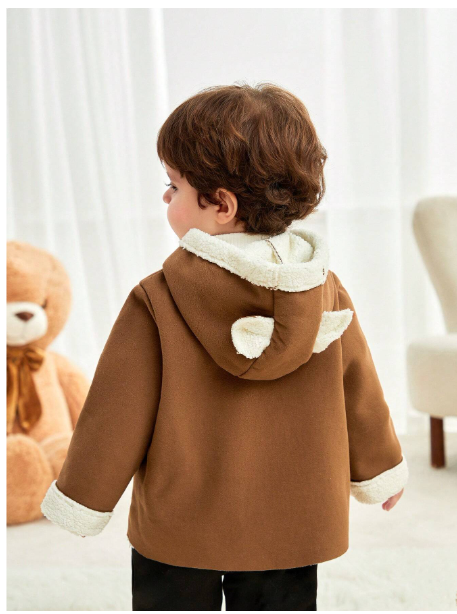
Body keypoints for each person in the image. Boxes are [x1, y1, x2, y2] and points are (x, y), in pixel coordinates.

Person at [41, 83, 408, 611]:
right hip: (292, 519)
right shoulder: (323, 289)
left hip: (181, 519)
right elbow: (361, 391)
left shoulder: (158, 298)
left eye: (173, 186)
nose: (165, 198)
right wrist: (380, 469)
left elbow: (115, 411)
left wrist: (83, 497)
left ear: (220, 205)